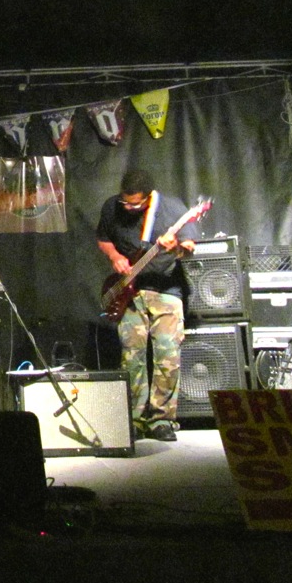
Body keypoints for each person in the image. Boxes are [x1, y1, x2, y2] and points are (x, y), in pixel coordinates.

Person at [96, 168, 199, 442]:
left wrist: (174, 247)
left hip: (166, 289)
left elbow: (189, 248)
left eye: (135, 204)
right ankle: (134, 419)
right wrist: (115, 257)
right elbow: (103, 239)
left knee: (167, 355)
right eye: (125, 202)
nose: (129, 208)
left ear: (149, 196)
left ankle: (162, 419)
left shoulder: (172, 209)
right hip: (130, 292)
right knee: (131, 356)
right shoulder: (112, 207)